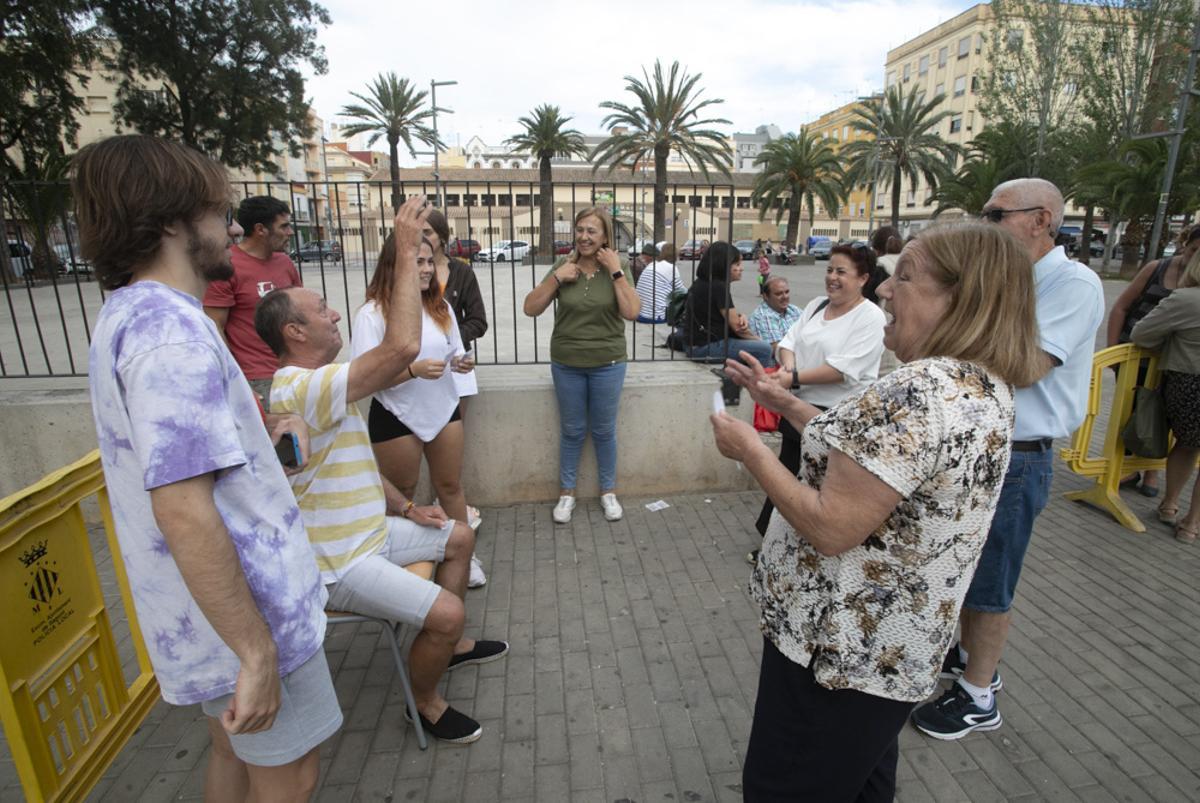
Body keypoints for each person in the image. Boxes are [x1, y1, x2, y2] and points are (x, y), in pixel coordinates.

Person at [713, 222, 1046, 802]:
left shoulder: (916, 391)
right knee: (862, 782)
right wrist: (785, 402)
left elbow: (831, 526)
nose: (884, 290)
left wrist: (750, 451)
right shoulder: (982, 384)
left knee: (784, 787)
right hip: (893, 655)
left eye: (905, 278)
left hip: (836, 654)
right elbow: (872, 457)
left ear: (960, 298)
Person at [79, 135, 338, 801]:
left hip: (211, 617)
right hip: (248, 615)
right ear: (171, 220)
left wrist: (258, 430)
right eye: (217, 212)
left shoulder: (131, 315)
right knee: (291, 778)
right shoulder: (169, 333)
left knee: (232, 751)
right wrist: (255, 650)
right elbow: (183, 508)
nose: (230, 228)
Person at [257, 196, 508, 745]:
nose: (335, 315)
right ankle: (424, 704)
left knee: (459, 534)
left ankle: (449, 648)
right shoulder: (301, 387)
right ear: (294, 333)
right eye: (323, 310)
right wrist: (405, 245)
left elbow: (357, 468)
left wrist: (406, 506)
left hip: (371, 531)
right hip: (339, 562)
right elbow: (402, 348)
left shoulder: (328, 384)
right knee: (447, 613)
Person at [912, 177, 1105, 740]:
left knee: (991, 582)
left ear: (1041, 220)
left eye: (996, 215)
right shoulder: (1009, 279)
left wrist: (950, 339)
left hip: (1017, 455)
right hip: (984, 448)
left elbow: (1026, 365)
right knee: (966, 568)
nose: (985, 225)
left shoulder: (1073, 284)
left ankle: (979, 695)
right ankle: (969, 659)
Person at [352, 235, 486, 588]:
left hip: (443, 408)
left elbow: (454, 351)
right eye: (418, 262)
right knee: (402, 493)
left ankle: (465, 557)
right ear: (395, 266)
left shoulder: (440, 308)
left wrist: (460, 363)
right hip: (395, 414)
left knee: (450, 486)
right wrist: (412, 371)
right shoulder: (372, 314)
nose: (427, 269)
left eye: (430, 261)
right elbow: (365, 378)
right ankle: (401, 566)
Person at [750, 244, 886, 548]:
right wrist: (789, 369)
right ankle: (773, 542)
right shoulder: (815, 306)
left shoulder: (871, 318)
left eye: (841, 272)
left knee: (818, 489)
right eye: (829, 270)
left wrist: (793, 377)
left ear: (863, 278)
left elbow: (843, 369)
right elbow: (788, 343)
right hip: (796, 407)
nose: (832, 278)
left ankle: (807, 545)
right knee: (786, 479)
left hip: (835, 417)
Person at [522, 207, 640, 524]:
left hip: (608, 363)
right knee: (572, 431)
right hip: (567, 363)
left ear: (605, 236)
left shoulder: (619, 265)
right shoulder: (563, 266)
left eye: (591, 231)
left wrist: (615, 271)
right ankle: (567, 494)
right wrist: (557, 279)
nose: (584, 237)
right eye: (580, 230)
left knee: (603, 431)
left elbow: (631, 312)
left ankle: (608, 492)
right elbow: (530, 308)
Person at [1106, 224, 1200, 497]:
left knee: (1163, 418)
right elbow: (1121, 307)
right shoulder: (1157, 268)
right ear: (1185, 245)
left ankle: (1151, 472)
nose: (1194, 258)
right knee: (1134, 413)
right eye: (1193, 250)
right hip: (1137, 357)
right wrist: (1112, 350)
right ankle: (1126, 467)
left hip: (1174, 364)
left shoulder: (1190, 292)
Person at [422, 208, 488, 535]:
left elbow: (479, 321)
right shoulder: (399, 272)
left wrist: (448, 340)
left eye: (428, 233)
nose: (421, 238)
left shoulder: (461, 272)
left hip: (456, 369)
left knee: (448, 445)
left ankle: (448, 506)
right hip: (417, 372)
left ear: (442, 237)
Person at [203, 195, 302, 405]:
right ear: (260, 229)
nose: (290, 232)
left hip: (296, 371)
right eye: (284, 226)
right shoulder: (228, 266)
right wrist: (235, 379)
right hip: (258, 378)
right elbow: (215, 326)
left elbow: (301, 310)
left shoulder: (285, 262)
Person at [1131, 247, 1200, 543]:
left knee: (1186, 445)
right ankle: (1192, 523)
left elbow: (1141, 334)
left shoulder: (1186, 299)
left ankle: (1171, 504)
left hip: (1188, 381)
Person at [683, 241, 774, 367]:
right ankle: (759, 377)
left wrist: (740, 316)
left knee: (760, 347)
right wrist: (760, 341)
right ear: (724, 265)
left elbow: (719, 315)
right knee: (765, 349)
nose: (741, 268)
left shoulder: (702, 282)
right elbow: (738, 329)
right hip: (705, 347)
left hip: (695, 344)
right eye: (737, 264)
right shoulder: (718, 287)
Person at [746, 275, 802, 349]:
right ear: (766, 296)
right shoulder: (762, 317)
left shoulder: (793, 310)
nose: (785, 297)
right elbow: (778, 349)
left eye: (787, 292)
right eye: (778, 294)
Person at [635, 242, 685, 324]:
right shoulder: (671, 268)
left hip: (639, 314)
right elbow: (681, 291)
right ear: (675, 256)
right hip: (655, 317)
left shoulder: (651, 265)